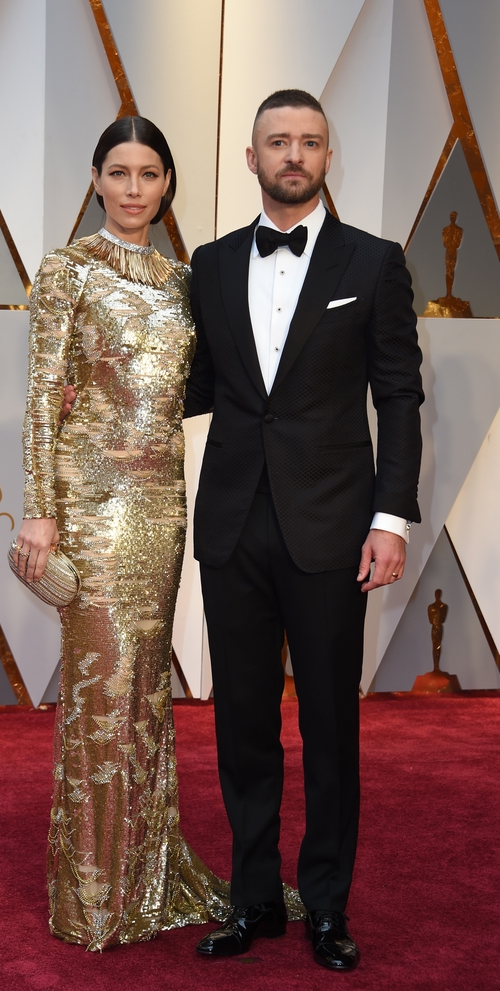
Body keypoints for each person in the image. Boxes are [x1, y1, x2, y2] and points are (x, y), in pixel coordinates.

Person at [183, 89, 423, 970]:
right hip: (233, 525)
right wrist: (100, 399)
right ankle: (255, 902)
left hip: (334, 527)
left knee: (328, 725)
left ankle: (326, 904)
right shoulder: (207, 265)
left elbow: (398, 395)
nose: (294, 154)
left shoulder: (377, 260)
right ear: (251, 158)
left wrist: (389, 518)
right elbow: (197, 385)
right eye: (278, 141)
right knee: (242, 723)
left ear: (329, 157)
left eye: (310, 142)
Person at [14, 117, 237, 951]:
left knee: (145, 688)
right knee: (100, 692)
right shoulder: (66, 270)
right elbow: (42, 396)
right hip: (89, 501)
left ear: (168, 183)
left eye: (149, 172)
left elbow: (193, 389)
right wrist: (41, 508)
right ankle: (92, 899)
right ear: (97, 179)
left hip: (161, 502)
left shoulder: (187, 281)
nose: (135, 187)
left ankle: (145, 873)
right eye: (119, 171)